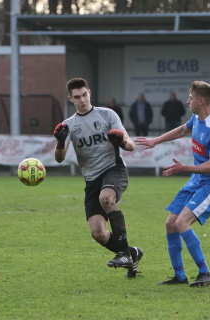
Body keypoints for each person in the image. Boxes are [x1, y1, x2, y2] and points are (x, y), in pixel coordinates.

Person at [134, 81, 210, 287]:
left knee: (181, 223)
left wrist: (183, 168)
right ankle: (179, 276)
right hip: (196, 179)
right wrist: (155, 141)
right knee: (170, 224)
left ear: (201, 101)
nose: (187, 101)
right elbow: (180, 131)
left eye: (191, 98)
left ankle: (206, 273)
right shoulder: (197, 117)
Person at [53, 78, 143, 278]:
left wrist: (121, 140)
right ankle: (132, 253)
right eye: (77, 97)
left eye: (84, 95)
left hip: (114, 169)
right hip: (91, 179)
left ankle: (123, 254)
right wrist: (60, 143)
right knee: (98, 233)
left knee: (106, 198)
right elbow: (59, 158)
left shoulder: (107, 114)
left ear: (89, 93)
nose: (82, 100)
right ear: (71, 99)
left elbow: (130, 145)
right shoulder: (69, 125)